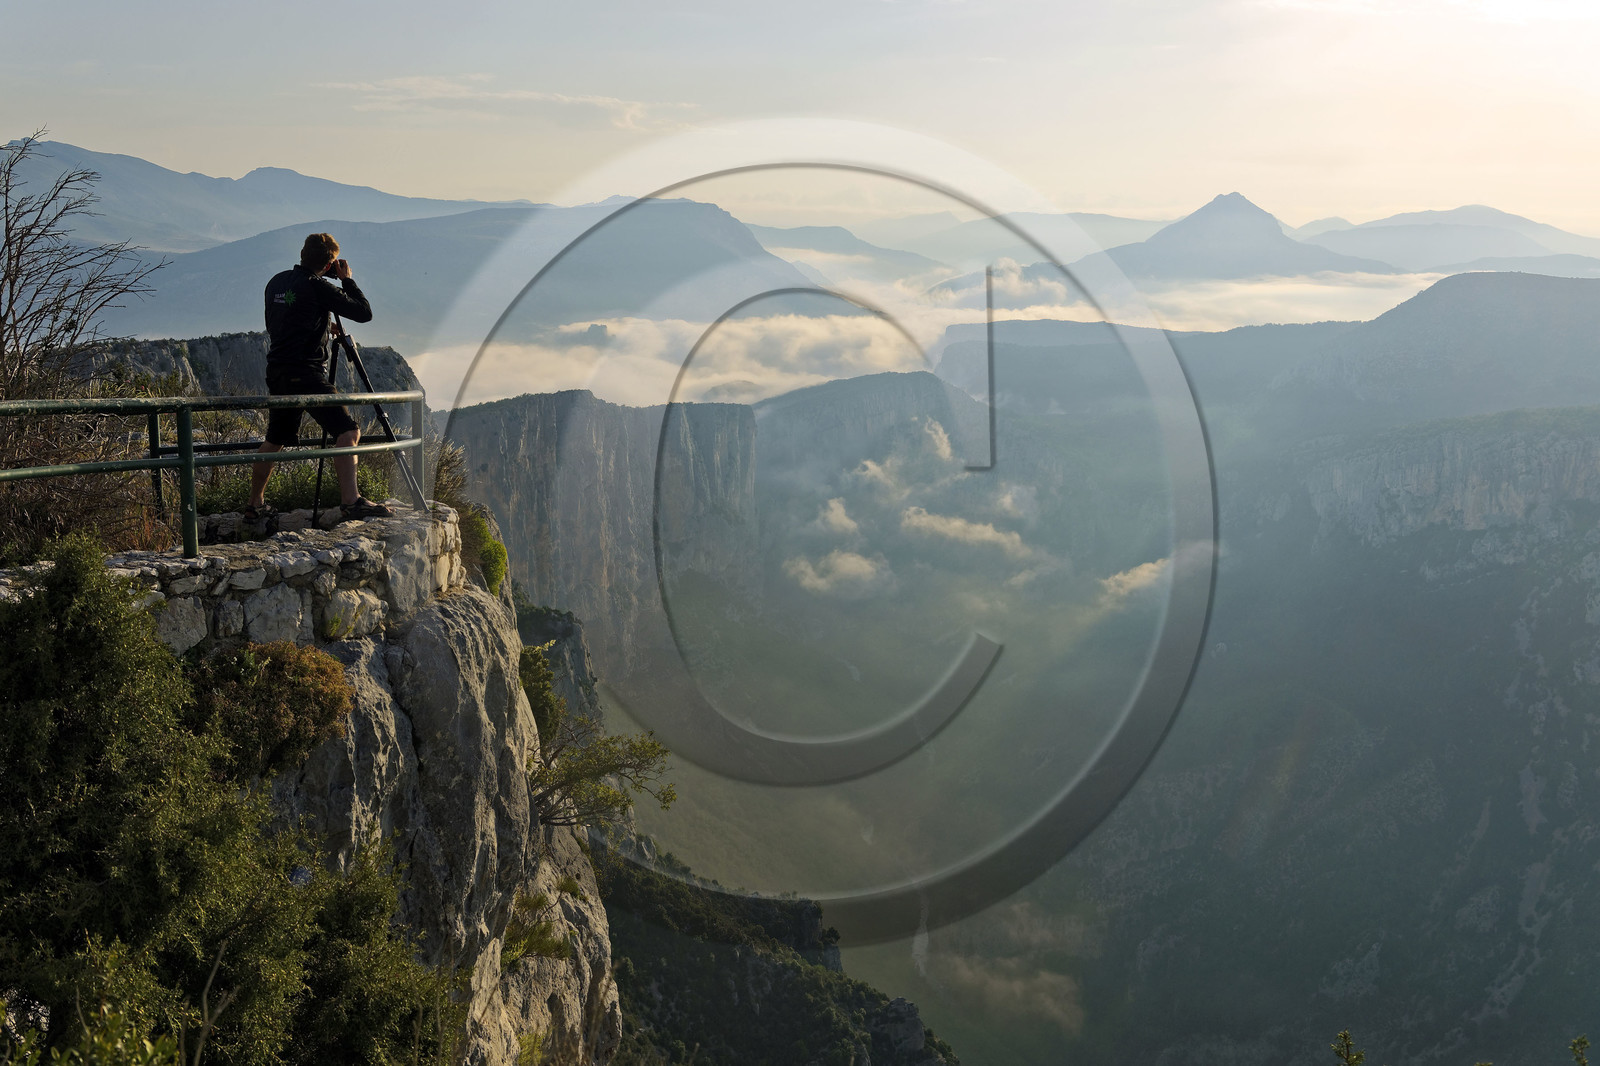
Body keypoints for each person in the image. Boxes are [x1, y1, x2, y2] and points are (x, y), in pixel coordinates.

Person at [247, 232, 392, 521]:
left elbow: (286, 321)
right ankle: (351, 501)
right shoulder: (318, 287)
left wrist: (323, 329)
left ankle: (254, 504)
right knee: (348, 431)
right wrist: (347, 280)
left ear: (303, 254)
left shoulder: (276, 282)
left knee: (275, 439)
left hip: (278, 371)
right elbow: (364, 313)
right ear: (329, 265)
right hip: (306, 373)